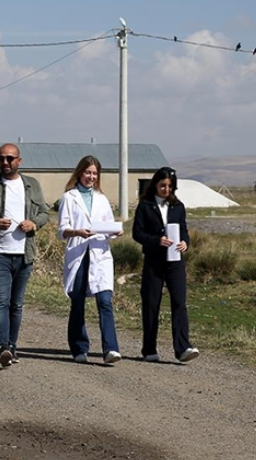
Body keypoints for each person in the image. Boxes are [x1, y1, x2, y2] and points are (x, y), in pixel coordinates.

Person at [0, 143, 50, 367]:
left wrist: (34, 223)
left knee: (16, 305)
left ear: (19, 161)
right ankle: (2, 347)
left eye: (10, 159)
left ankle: (12, 347)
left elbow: (44, 213)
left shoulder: (32, 185)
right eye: (1, 159)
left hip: (24, 255)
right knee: (1, 303)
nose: (5, 163)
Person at [57, 156, 122, 365]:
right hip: (79, 253)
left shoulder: (102, 199)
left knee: (105, 300)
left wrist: (115, 231)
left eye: (95, 173)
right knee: (77, 302)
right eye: (88, 172)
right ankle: (79, 347)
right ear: (79, 173)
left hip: (99, 256)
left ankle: (110, 349)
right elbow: (62, 230)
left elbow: (109, 224)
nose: (91, 177)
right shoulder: (69, 197)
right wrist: (77, 231)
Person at [132, 166, 199, 363]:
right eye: (163, 185)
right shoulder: (145, 206)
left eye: (170, 186)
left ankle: (183, 347)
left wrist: (185, 242)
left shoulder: (178, 207)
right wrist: (156, 240)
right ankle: (149, 349)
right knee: (151, 304)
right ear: (155, 185)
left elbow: (184, 229)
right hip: (153, 261)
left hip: (175, 261)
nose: (166, 190)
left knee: (179, 302)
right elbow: (137, 233)